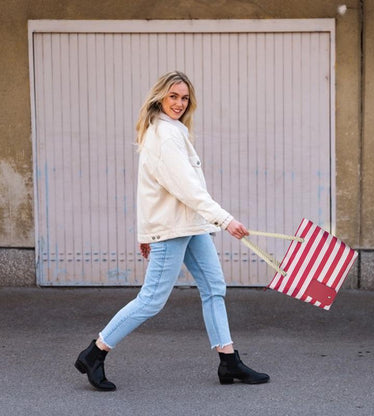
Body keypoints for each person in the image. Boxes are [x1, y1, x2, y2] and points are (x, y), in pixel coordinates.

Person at [75, 71, 270, 391]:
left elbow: (149, 188)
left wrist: (144, 231)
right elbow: (186, 188)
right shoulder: (164, 135)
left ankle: (228, 360)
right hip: (172, 229)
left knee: (214, 287)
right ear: (160, 97)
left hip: (190, 225)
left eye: (184, 97)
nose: (179, 103)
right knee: (151, 300)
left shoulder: (173, 131)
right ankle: (95, 353)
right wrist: (224, 220)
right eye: (173, 96)